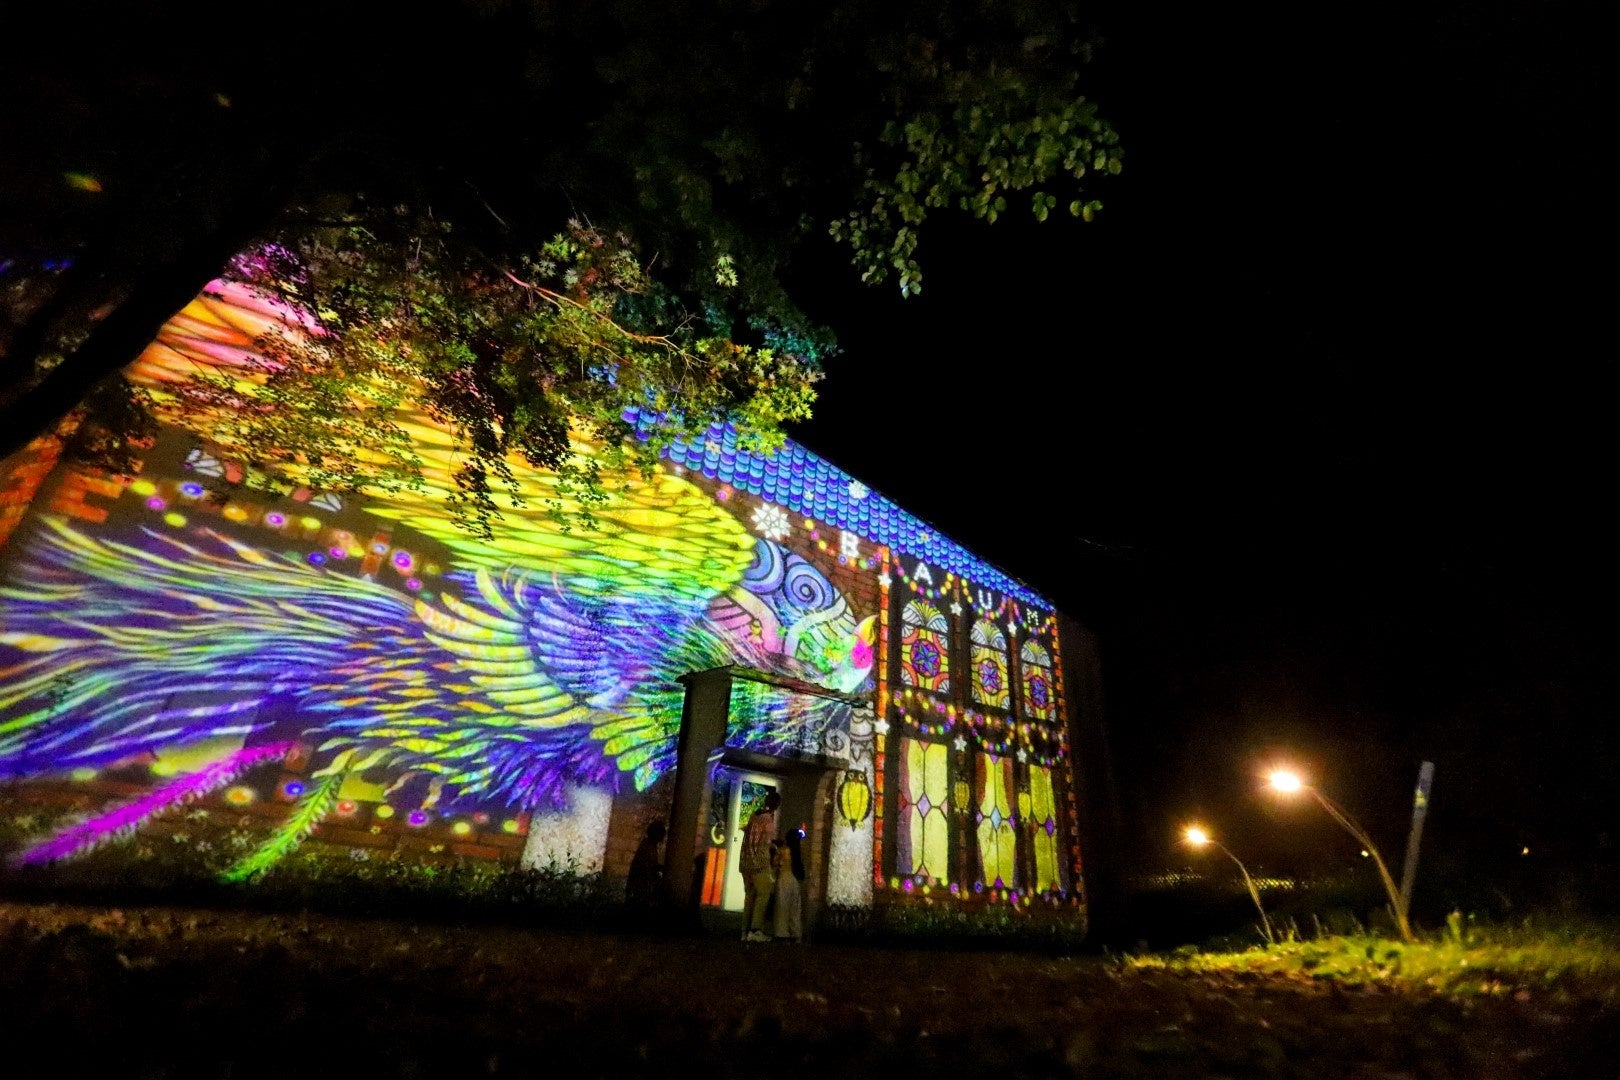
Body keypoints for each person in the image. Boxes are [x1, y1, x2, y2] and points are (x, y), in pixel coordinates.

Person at [737, 789, 779, 942]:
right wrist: (775, 849)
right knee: (763, 896)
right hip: (759, 863)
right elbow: (768, 841)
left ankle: (744, 931)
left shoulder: (754, 815)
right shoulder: (768, 820)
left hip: (745, 862)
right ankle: (755, 930)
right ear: (776, 805)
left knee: (749, 897)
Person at [624, 819, 666, 913]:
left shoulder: (649, 845)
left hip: (641, 888)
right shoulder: (647, 847)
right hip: (640, 889)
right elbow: (646, 868)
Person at [773, 826, 805, 942]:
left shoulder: (782, 850)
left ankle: (781, 933)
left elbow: (775, 863)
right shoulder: (798, 851)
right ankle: (795, 933)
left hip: (783, 879)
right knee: (794, 908)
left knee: (782, 907)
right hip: (794, 881)